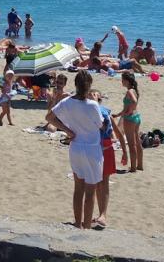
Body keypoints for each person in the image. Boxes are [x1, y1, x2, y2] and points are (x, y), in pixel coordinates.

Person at [44, 71, 104, 229]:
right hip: (91, 149)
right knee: (90, 192)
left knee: (78, 189)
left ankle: (78, 224)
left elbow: (49, 117)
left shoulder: (67, 102)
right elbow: (100, 125)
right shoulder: (92, 105)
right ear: (89, 86)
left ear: (76, 85)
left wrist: (67, 130)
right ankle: (87, 226)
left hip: (76, 147)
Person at [90, 88, 125, 228]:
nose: (91, 96)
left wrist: (125, 152)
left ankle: (103, 214)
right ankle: (99, 214)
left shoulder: (105, 112)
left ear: (99, 99)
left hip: (105, 148)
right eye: (89, 94)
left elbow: (118, 134)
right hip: (93, 148)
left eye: (94, 95)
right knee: (96, 183)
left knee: (103, 182)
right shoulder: (87, 112)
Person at [113, 71, 143, 172]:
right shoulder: (134, 90)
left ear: (126, 81)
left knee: (131, 144)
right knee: (137, 142)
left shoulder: (130, 91)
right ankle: (140, 165)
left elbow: (134, 102)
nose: (121, 81)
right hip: (137, 117)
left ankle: (133, 168)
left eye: (122, 80)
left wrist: (129, 111)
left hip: (130, 119)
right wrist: (118, 115)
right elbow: (127, 106)